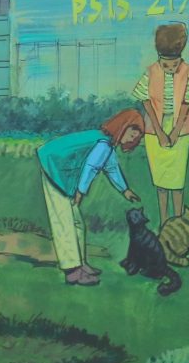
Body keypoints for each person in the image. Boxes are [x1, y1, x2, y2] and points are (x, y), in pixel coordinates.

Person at [37, 109, 144, 286]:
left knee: (77, 223)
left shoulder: (107, 144)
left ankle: (80, 262)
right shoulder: (103, 143)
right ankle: (72, 271)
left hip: (62, 172)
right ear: (122, 126)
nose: (133, 139)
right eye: (132, 133)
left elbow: (111, 167)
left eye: (136, 137)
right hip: (53, 168)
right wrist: (80, 192)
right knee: (64, 222)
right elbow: (91, 167)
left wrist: (125, 190)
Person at [132, 22, 189, 225]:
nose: (171, 69)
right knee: (161, 179)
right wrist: (159, 131)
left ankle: (177, 220)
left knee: (177, 178)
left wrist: (174, 132)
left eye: (175, 65)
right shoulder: (150, 72)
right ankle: (165, 221)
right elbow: (146, 102)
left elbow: (186, 105)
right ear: (159, 59)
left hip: (180, 129)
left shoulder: (188, 72)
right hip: (154, 129)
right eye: (166, 65)